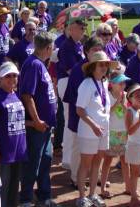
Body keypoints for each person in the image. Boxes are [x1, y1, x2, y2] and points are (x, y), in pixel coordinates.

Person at [19, 32, 58, 207]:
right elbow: (27, 95)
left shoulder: (40, 63)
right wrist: (36, 121)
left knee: (45, 161)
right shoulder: (33, 65)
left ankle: (44, 197)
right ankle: (26, 199)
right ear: (48, 48)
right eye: (53, 47)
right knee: (33, 164)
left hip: (46, 126)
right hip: (37, 126)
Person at [76, 51, 118, 207]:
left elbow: (104, 108)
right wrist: (93, 125)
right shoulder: (86, 84)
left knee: (97, 164)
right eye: (101, 64)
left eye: (106, 64)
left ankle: (92, 194)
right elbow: (79, 110)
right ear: (92, 67)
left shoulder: (104, 83)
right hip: (89, 130)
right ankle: (81, 197)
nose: (104, 67)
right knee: (85, 164)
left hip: (103, 130)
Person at [63, 37, 104, 189]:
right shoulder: (78, 69)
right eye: (94, 50)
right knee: (77, 146)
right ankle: (75, 177)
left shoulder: (102, 67)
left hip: (97, 116)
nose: (98, 52)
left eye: (100, 50)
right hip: (80, 115)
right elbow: (73, 97)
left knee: (96, 148)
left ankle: (95, 176)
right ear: (86, 52)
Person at [0, 61, 27, 207]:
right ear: (1, 78)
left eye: (14, 76)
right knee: (3, 184)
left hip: (19, 148)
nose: (12, 79)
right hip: (4, 149)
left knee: (15, 185)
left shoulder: (16, 94)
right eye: (8, 76)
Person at [56, 18, 85, 169]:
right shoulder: (67, 46)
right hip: (67, 82)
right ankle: (67, 159)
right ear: (71, 30)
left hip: (73, 82)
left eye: (84, 28)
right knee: (69, 121)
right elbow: (70, 70)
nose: (83, 30)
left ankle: (70, 156)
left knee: (72, 120)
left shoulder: (79, 45)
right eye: (81, 27)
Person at [100, 71, 131, 199]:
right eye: (120, 82)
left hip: (123, 133)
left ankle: (129, 188)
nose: (123, 85)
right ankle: (102, 189)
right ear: (112, 84)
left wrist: (124, 104)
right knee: (107, 161)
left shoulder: (126, 95)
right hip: (111, 133)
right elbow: (105, 113)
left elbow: (128, 113)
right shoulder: (106, 96)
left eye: (124, 82)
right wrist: (117, 102)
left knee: (125, 161)